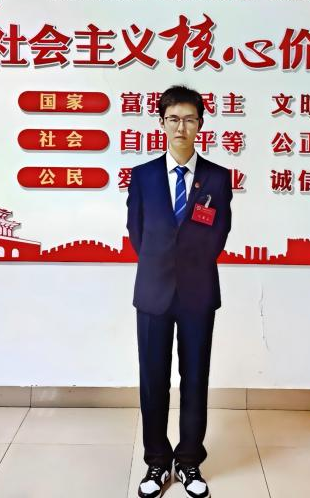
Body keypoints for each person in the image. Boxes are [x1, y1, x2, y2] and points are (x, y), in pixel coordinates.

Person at [127, 85, 232, 498]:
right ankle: (157, 461)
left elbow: (219, 233)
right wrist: (161, 265)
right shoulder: (143, 176)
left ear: (201, 124)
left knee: (195, 379)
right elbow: (137, 231)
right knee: (153, 380)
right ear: (161, 123)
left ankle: (189, 461)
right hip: (153, 292)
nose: (181, 127)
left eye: (189, 119)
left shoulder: (217, 178)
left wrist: (186, 268)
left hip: (197, 293)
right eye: (173, 119)